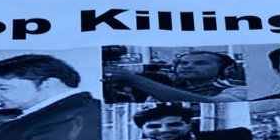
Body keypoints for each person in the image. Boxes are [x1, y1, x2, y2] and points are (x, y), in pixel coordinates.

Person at [105, 50, 248, 103]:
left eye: (201, 63)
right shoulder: (165, 83)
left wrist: (135, 80)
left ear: (225, 70)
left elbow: (209, 102)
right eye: (183, 63)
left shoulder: (239, 90)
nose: (187, 66)